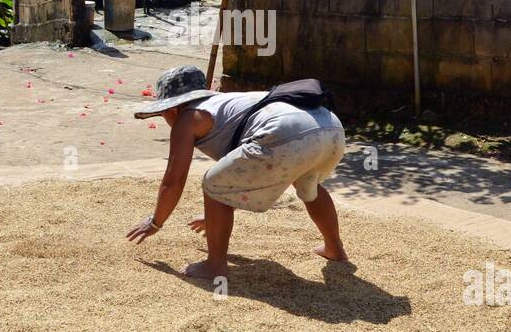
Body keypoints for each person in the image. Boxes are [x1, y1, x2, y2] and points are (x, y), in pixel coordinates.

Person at [124, 65, 348, 279]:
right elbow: (244, 176)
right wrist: (214, 216)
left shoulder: (188, 117)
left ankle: (215, 265)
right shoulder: (229, 101)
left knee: (214, 184)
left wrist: (155, 222)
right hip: (331, 129)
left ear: (172, 108)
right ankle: (334, 248)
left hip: (286, 133)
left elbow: (173, 181)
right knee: (308, 185)